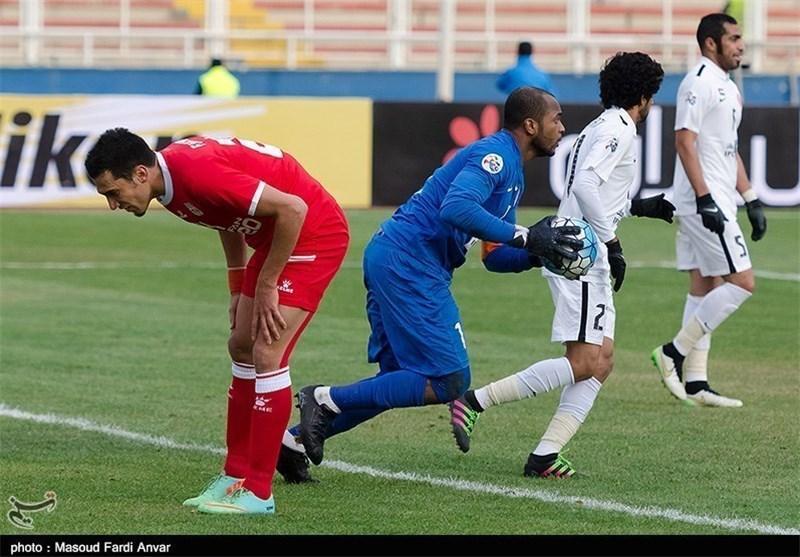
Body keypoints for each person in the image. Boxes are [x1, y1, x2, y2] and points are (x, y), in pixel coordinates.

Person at [278, 87, 584, 478]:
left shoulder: (513, 174)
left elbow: (493, 256)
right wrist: (526, 235)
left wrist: (537, 254)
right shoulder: (495, 157)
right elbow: (455, 207)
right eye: (555, 119)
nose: (562, 126)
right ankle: (323, 400)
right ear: (530, 125)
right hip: (410, 262)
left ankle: (293, 443)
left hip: (397, 256)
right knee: (449, 378)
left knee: (398, 382)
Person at [84, 129, 349, 514]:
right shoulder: (169, 184)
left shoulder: (194, 173)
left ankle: (259, 493)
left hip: (313, 234)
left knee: (266, 349)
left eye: (113, 192)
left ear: (141, 173)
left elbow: (294, 208)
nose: (113, 204)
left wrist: (267, 285)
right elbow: (228, 216)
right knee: (240, 344)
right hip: (275, 238)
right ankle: (234, 477)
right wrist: (238, 285)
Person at [448, 52, 670, 478]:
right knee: (586, 361)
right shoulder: (618, 128)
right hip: (581, 252)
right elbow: (585, 185)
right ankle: (475, 401)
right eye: (653, 95)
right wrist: (613, 241)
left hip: (582, 248)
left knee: (602, 360)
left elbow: (594, 189)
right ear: (643, 96)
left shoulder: (603, 126)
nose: (652, 103)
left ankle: (545, 455)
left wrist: (639, 207)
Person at [651, 13, 766, 408]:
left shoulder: (729, 88)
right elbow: (684, 141)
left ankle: (696, 383)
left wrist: (750, 198)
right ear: (711, 43)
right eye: (734, 38)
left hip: (717, 197)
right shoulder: (697, 82)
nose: (741, 45)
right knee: (743, 282)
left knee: (706, 286)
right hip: (704, 201)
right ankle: (673, 352)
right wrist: (704, 197)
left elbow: (727, 148)